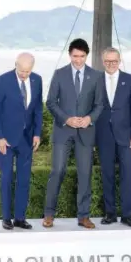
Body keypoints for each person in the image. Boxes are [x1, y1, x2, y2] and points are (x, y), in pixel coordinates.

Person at [43, 38, 103, 229]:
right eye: (75, 56)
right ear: (70, 55)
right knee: (57, 171)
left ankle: (83, 216)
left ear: (87, 56)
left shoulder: (96, 76)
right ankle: (49, 214)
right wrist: (67, 119)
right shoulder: (59, 74)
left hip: (85, 132)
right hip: (63, 131)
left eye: (82, 56)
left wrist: (89, 119)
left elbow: (100, 104)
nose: (78, 60)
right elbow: (51, 102)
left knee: (85, 174)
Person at [0, 52, 43, 230]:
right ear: (16, 64)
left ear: (32, 68)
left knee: (24, 179)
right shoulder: (2, 80)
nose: (24, 74)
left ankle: (20, 217)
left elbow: (37, 109)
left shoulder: (37, 80)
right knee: (6, 178)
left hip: (27, 139)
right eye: (21, 70)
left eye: (27, 71)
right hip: (6, 139)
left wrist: (37, 133)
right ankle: (6, 218)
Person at [95, 47, 131, 228]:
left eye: (114, 61)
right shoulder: (95, 80)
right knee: (107, 174)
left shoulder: (130, 80)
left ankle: (127, 215)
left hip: (126, 137)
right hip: (103, 136)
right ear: (102, 60)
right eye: (108, 61)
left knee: (127, 175)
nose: (111, 64)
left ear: (120, 60)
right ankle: (110, 214)